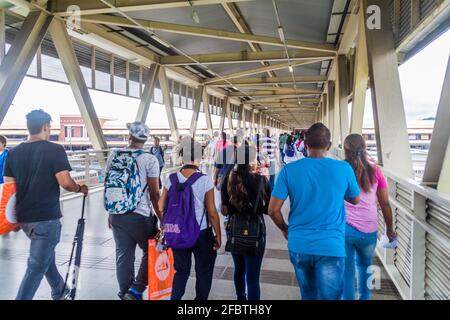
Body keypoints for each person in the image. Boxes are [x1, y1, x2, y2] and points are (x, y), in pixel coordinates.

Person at [268, 123, 361, 300]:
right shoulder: (344, 169)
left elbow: (273, 210)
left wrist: (285, 229)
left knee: (308, 294)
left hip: (299, 244)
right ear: (329, 145)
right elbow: (355, 199)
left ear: (305, 143)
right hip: (331, 246)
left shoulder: (289, 170)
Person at [3, 109, 88, 300]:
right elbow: (66, 182)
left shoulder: (13, 153)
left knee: (44, 258)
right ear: (45, 127)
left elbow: (10, 188)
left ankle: (59, 290)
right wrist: (80, 189)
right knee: (35, 267)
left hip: (24, 218)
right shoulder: (55, 150)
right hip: (46, 219)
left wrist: (13, 218)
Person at [159, 138, 221, 300]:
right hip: (201, 233)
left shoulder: (170, 179)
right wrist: (218, 235)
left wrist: (166, 226)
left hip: (177, 232)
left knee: (181, 271)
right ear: (199, 157)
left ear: (182, 156)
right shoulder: (204, 180)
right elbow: (212, 212)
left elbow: (160, 206)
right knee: (204, 272)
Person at [106, 122, 162, 300]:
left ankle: (124, 292)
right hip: (140, 215)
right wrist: (162, 217)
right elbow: (154, 193)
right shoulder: (150, 159)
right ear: (145, 139)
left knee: (123, 254)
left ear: (129, 136)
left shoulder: (114, 155)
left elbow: (111, 186)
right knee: (152, 249)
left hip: (117, 214)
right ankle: (136, 290)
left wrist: (111, 212)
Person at [342, 134, 396, 300]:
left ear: (345, 150)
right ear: (364, 148)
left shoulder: (341, 169)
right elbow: (385, 203)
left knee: (347, 272)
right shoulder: (376, 170)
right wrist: (389, 229)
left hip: (345, 229)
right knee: (365, 268)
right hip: (369, 229)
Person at [221, 144, 271, 300]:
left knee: (239, 270)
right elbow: (269, 208)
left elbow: (224, 209)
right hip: (255, 231)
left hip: (235, 229)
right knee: (253, 278)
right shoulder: (261, 180)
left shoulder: (228, 179)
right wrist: (255, 209)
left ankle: (240, 299)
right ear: (252, 159)